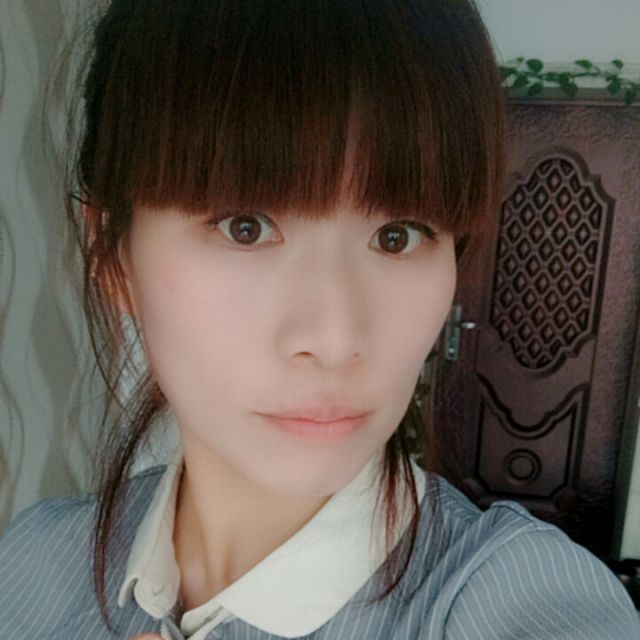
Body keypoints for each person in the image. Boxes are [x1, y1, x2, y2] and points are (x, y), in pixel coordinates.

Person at [1, 0, 638, 638]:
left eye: (398, 235)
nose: (335, 340)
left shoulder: (514, 599)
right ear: (112, 256)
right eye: (245, 227)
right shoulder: (31, 561)